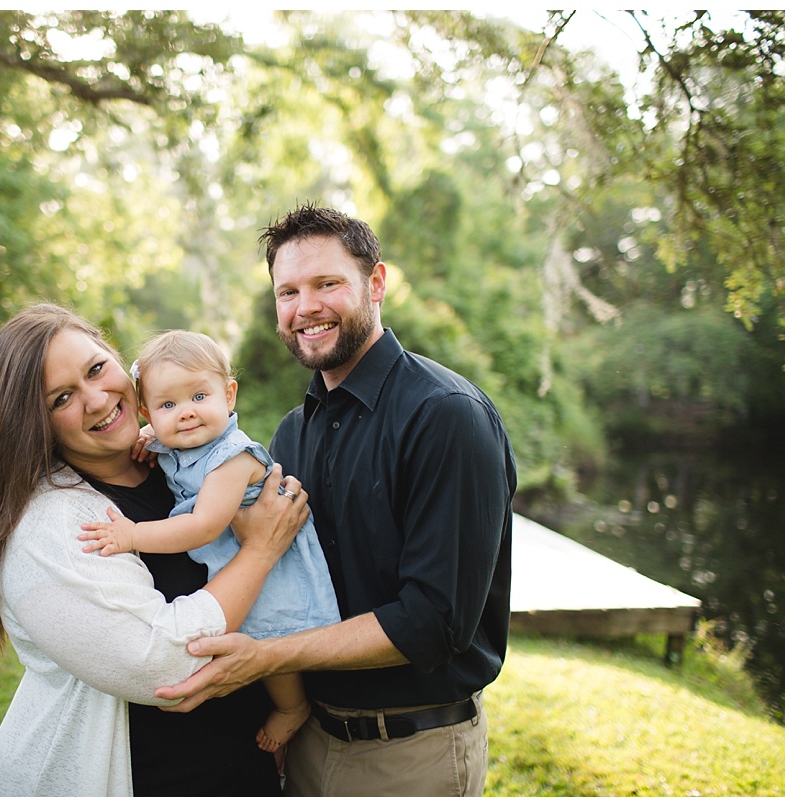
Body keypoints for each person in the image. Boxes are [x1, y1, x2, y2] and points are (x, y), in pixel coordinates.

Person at [155, 203, 517, 797]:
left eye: (327, 284)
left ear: (375, 283)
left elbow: (432, 623)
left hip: (410, 754)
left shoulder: (445, 416)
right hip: (307, 741)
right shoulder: (295, 432)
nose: (306, 308)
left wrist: (267, 657)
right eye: (288, 292)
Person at [0, 303, 309, 796]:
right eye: (62, 398)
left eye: (97, 369)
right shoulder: (51, 527)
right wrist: (261, 552)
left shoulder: (172, 462)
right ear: (34, 423)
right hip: (142, 781)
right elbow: (161, 664)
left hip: (244, 767)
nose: (98, 400)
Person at [77, 329, 341, 760]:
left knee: (267, 636)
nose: (186, 414)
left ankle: (292, 707)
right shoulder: (173, 442)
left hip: (271, 565)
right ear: (146, 411)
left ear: (229, 395)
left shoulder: (233, 457)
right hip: (234, 557)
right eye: (167, 405)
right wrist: (148, 437)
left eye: (199, 397)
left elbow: (203, 526)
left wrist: (132, 535)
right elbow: (158, 440)